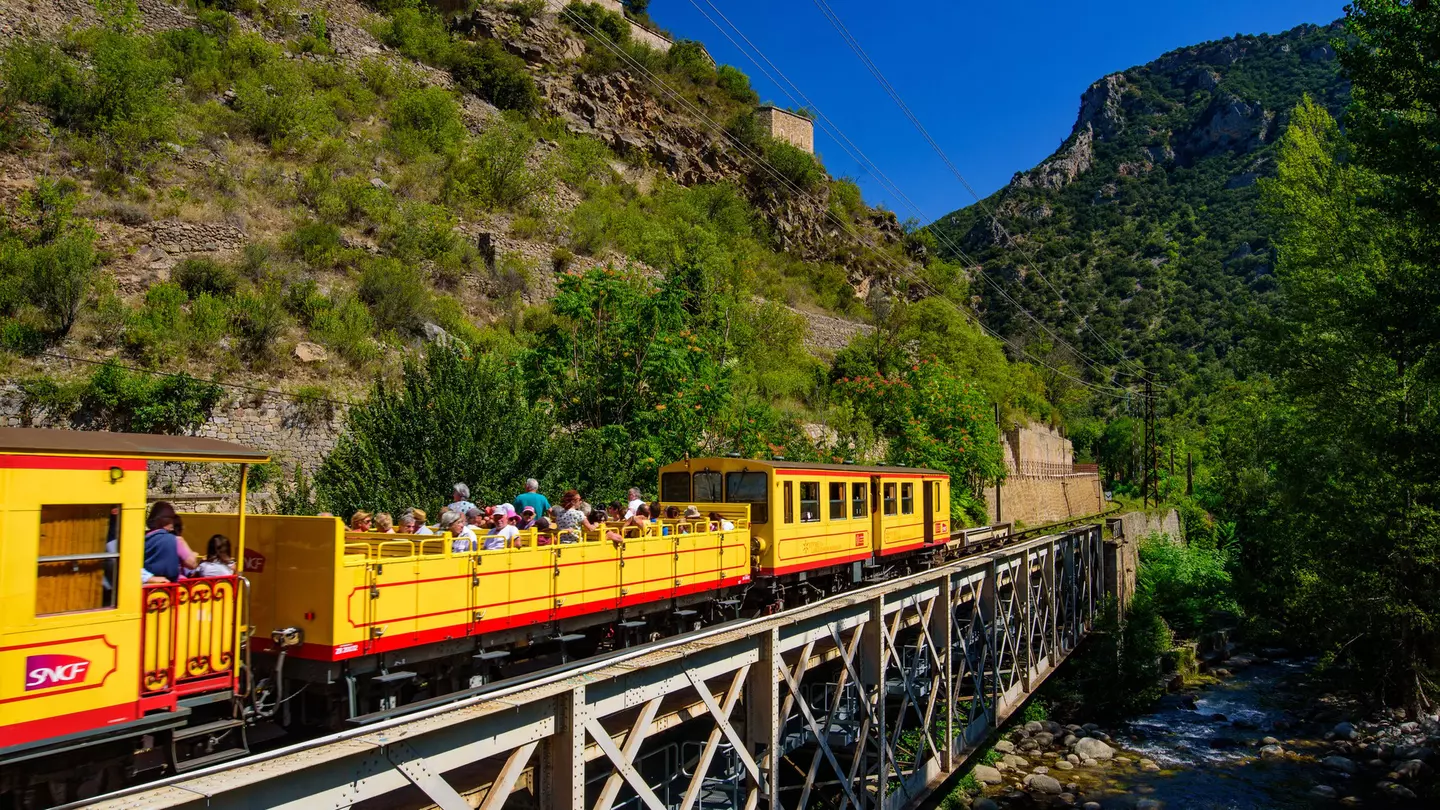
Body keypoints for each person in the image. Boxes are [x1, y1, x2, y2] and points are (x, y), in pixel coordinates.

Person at [144, 502, 185, 582]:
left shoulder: (143, 537)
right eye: (171, 518)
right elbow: (172, 571)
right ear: (162, 520)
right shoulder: (172, 540)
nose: (174, 521)